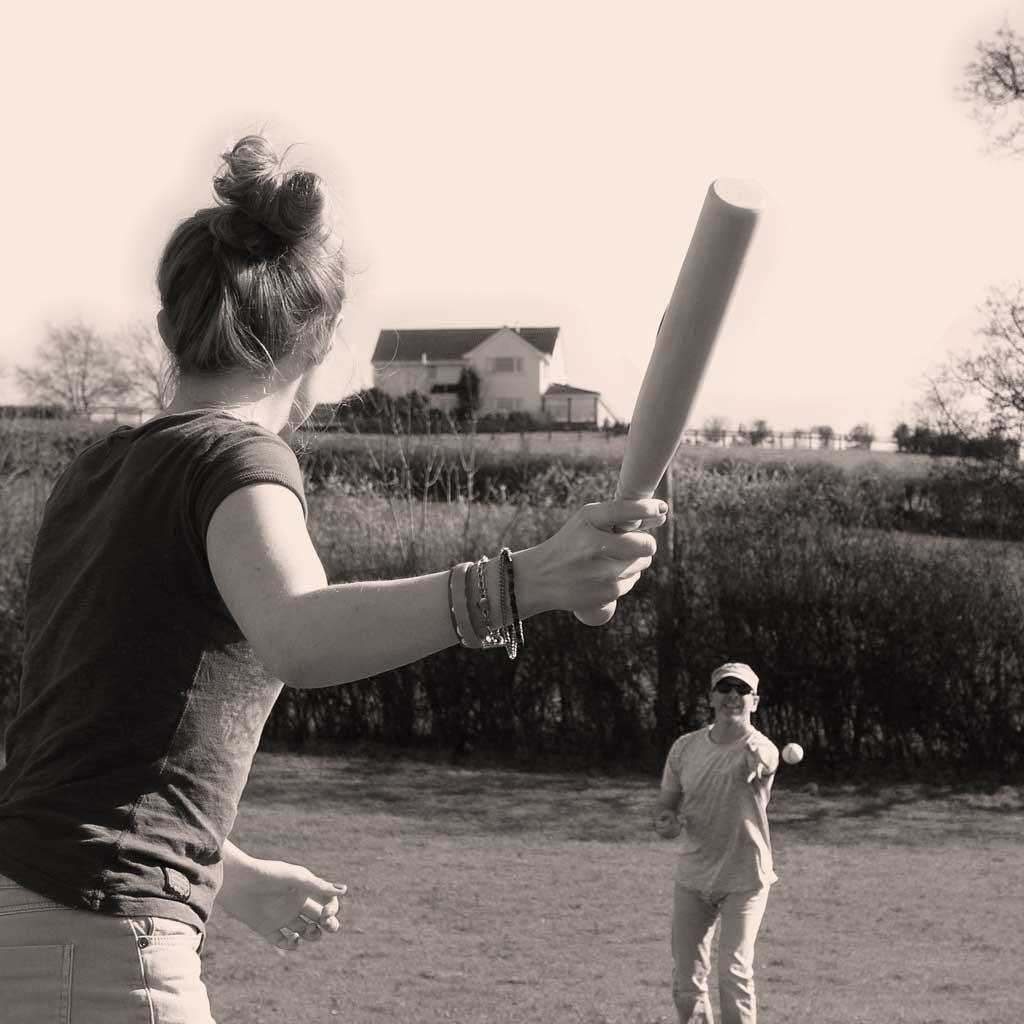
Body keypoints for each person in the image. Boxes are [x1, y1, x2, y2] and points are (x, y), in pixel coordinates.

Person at [0, 134, 666, 1022]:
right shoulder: (239, 459)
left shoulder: (96, 471)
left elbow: (83, 749)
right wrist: (528, 580)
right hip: (105, 938)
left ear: (169, 331)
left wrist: (226, 873)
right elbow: (299, 634)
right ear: (314, 347)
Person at [652, 662, 780, 1024]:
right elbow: (666, 804)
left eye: (742, 690)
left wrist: (760, 764)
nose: (732, 696)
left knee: (733, 973)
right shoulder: (685, 748)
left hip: (746, 877)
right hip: (694, 877)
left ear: (755, 701)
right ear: (711, 697)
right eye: (725, 689)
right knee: (686, 980)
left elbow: (767, 759)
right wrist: (665, 822)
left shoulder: (757, 746)